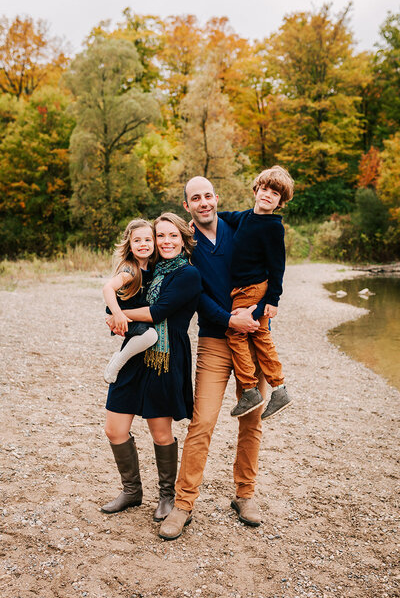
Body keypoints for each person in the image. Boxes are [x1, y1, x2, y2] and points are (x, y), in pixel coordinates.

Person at [159, 176, 268, 541]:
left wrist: (263, 308)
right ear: (187, 205)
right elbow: (197, 293)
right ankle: (184, 504)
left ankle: (245, 495)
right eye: (195, 198)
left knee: (252, 421)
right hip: (214, 340)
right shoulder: (186, 245)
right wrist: (226, 319)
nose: (203, 202)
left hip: (252, 338)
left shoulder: (240, 229)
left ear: (217, 198)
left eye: (208, 196)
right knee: (202, 423)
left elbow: (266, 268)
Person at [102, 213, 202, 524]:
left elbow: (159, 311)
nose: (165, 241)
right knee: (114, 429)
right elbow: (113, 301)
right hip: (134, 356)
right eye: (161, 236)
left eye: (173, 236)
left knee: (160, 433)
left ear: (184, 239)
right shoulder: (148, 269)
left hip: (165, 358)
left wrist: (122, 316)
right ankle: (132, 491)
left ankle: (167, 495)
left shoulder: (187, 275)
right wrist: (115, 313)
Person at [219, 165, 294, 420]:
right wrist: (195, 221)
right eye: (264, 189)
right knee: (260, 335)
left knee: (236, 332)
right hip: (243, 287)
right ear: (256, 190)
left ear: (280, 201)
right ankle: (279, 388)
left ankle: (250, 389)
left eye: (275, 193)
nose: (268, 195)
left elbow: (277, 266)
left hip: (252, 288)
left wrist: (272, 299)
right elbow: (225, 216)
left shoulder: (273, 227)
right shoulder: (244, 217)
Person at [102, 219, 158, 384]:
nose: (143, 244)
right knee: (151, 336)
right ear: (129, 244)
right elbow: (108, 288)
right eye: (137, 240)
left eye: (148, 240)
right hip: (124, 317)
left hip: (137, 314)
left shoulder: (152, 266)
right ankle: (117, 361)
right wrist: (118, 315)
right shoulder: (130, 270)